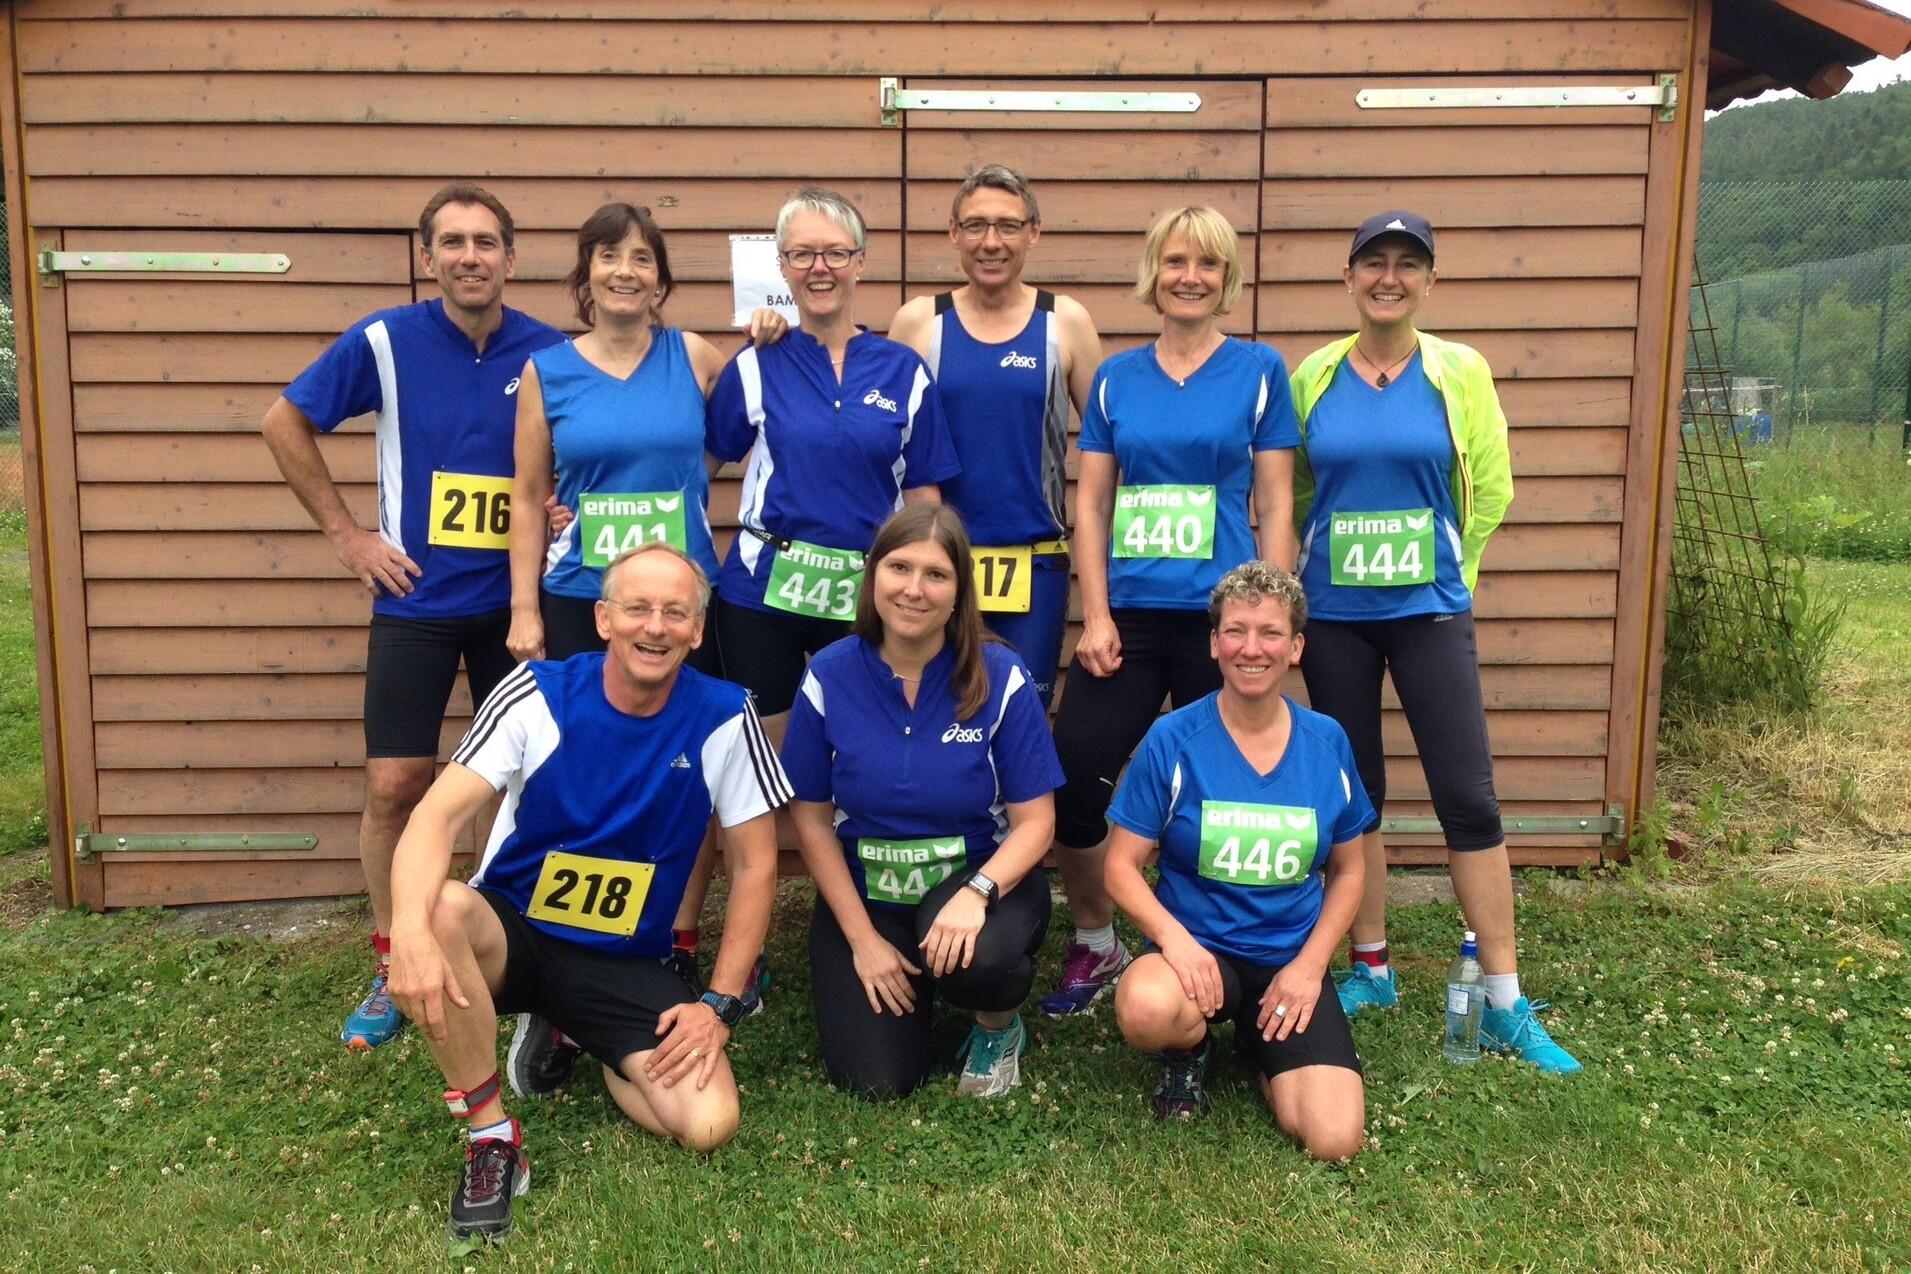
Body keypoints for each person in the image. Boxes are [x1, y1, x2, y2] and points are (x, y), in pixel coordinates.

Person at [384, 543, 790, 1241]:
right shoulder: (535, 691)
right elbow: (434, 815)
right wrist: (408, 934)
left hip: (623, 959)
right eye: (636, 608)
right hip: (509, 933)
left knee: (708, 1124)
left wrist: (717, 1004)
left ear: (697, 630)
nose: (654, 627)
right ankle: (492, 1138)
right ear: (603, 618)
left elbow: (755, 866)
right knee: (443, 907)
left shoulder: (727, 715)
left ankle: (586, 1034)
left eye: (674, 613)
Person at [261, 184, 565, 1050]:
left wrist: (567, 508)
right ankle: (396, 952)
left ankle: (502, 947)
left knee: (515, 788)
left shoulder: (549, 350)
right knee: (396, 783)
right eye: (452, 242)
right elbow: (284, 421)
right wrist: (347, 534)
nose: (470, 256)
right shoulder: (385, 341)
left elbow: (580, 451)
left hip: (520, 607)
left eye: (485, 242)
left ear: (511, 256)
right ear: (428, 257)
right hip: (417, 601)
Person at [1289, 210, 1579, 1073]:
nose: (1388, 277)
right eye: (1372, 262)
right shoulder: (1314, 375)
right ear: (1348, 278)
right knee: (1358, 795)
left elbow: (1489, 485)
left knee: (1468, 796)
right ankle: (1369, 966)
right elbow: (1300, 489)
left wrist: (1454, 576)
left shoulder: (1460, 370)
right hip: (1335, 614)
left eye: (1406, 264)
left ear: (1428, 280)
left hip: (1428, 612)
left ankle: (1502, 999)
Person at [503, 203, 784, 1004]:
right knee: (578, 773)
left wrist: (765, 336)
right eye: (606, 257)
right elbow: (529, 496)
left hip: (686, 603)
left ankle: (678, 936)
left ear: (662, 279)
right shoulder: (546, 371)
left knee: (688, 769)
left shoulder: (694, 355)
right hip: (579, 599)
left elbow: (754, 424)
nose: (624, 271)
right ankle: (556, 938)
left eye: (640, 259)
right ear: (583, 273)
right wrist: (524, 608)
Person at [1040, 206, 1300, 1017]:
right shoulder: (1117, 377)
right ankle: (1095, 939)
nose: (1191, 277)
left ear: (1228, 281)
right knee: (1074, 777)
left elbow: (1275, 502)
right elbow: (1090, 506)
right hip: (1132, 621)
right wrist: (1097, 614)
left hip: (1223, 627)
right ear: (1153, 272)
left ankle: (1213, 947)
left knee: (1223, 792)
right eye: (1177, 261)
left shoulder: (1259, 371)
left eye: (1209, 265)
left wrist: (1270, 624)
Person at [780, 504, 1064, 1098]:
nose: (914, 589)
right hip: (870, 900)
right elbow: (809, 820)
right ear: (873, 575)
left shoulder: (1001, 675)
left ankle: (995, 1024)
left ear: (961, 591)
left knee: (983, 959)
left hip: (981, 889)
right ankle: (911, 978)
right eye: (899, 567)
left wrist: (977, 892)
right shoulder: (827, 676)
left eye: (936, 574)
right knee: (876, 1083)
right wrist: (861, 941)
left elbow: (1037, 823)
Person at [1105, 563, 1368, 1158]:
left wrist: (1309, 967)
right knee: (1145, 1006)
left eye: (1271, 633)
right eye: (1236, 631)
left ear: (1296, 647)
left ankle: (1264, 1045)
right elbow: (1120, 866)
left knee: (1333, 1140)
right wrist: (1176, 943)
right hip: (1200, 958)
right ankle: (1189, 1051)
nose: (1252, 648)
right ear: (1214, 643)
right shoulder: (1172, 740)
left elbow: (1351, 870)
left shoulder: (1327, 742)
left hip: (1288, 961)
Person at [706, 185, 960, 724]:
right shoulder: (756, 362)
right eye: (802, 254)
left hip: (867, 594)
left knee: (861, 745)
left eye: (836, 254)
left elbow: (923, 502)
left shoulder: (905, 370)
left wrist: (933, 583)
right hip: (761, 592)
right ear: (783, 266)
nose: (819, 268)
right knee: (762, 759)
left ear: (861, 262)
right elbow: (693, 471)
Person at [887, 164, 1103, 707]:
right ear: (953, 233)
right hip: (937, 564)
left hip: (1036, 561)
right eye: (976, 225)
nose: (991, 242)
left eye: (1007, 226)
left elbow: (1111, 445)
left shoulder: (1066, 322)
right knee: (936, 708)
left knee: (1021, 717)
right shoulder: (918, 323)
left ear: (1034, 231)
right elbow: (881, 442)